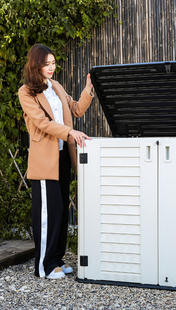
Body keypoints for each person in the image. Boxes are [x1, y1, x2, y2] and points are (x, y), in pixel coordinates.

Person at [18, 44, 93, 279]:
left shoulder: (56, 86)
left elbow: (76, 109)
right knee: (48, 213)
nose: (51, 68)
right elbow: (42, 123)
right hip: (44, 160)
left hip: (62, 156)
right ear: (35, 65)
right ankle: (44, 267)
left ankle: (56, 260)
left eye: (53, 63)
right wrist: (70, 133)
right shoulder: (26, 92)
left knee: (60, 209)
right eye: (46, 64)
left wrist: (89, 89)